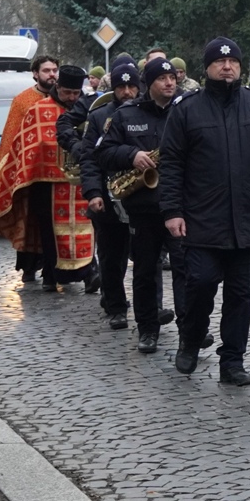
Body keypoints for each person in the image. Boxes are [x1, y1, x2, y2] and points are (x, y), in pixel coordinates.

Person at [158, 37, 250, 386]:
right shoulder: (187, 108)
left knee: (240, 294)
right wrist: (172, 211)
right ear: (208, 68)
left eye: (233, 62)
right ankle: (190, 338)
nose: (227, 66)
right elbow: (170, 165)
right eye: (219, 62)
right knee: (199, 285)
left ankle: (232, 361)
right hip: (202, 219)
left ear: (241, 67)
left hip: (247, 219)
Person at [97, 58, 182, 352]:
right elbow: (103, 152)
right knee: (145, 271)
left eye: (172, 77)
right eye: (163, 78)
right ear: (149, 84)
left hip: (183, 206)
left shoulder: (186, 110)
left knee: (187, 270)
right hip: (144, 207)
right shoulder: (125, 114)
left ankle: (190, 329)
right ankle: (148, 329)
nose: (170, 82)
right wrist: (131, 155)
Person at [0, 59, 95, 289]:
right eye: (67, 93)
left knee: (86, 228)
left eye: (76, 93)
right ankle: (51, 275)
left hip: (81, 181)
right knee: (51, 231)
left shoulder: (88, 108)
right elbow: (25, 146)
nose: (72, 98)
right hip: (46, 183)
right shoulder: (38, 109)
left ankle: (88, 274)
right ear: (59, 88)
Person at [80, 63, 141, 330]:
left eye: (131, 86)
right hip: (107, 196)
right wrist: (93, 193)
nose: (127, 92)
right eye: (121, 87)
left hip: (142, 197)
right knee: (111, 256)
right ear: (113, 88)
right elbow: (89, 159)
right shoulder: (98, 117)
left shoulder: (149, 112)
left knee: (147, 257)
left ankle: (152, 306)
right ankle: (116, 306)